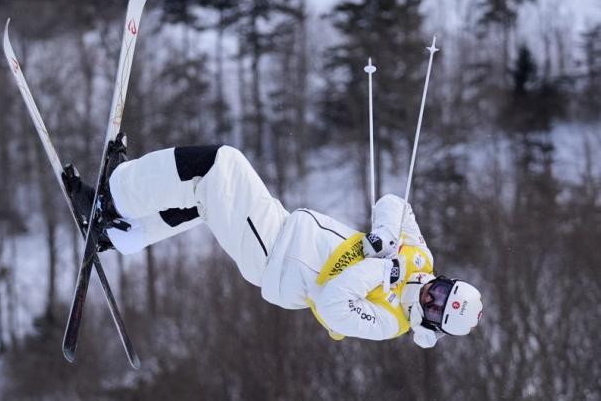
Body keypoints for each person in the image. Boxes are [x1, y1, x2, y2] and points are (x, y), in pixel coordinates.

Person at [63, 135, 483, 348]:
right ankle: (123, 232)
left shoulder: (391, 322)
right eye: (442, 289)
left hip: (278, 262)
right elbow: (395, 203)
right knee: (206, 198)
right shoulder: (420, 259)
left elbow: (335, 307)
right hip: (284, 229)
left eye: (435, 307)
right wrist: (389, 236)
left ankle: (111, 198)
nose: (429, 293)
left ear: (431, 325)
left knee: (218, 164)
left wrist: (381, 267)